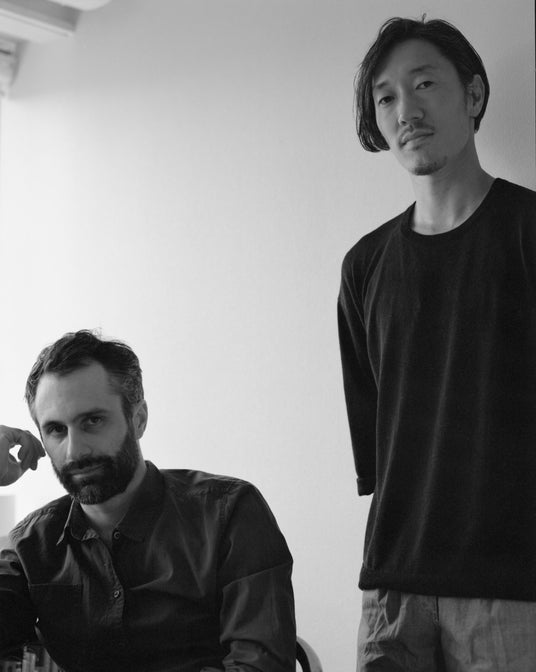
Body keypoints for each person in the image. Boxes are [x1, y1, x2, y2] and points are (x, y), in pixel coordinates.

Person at [338, 15, 536, 672]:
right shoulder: (364, 266)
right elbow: (378, 450)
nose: (405, 110)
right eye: (386, 97)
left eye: (424, 84)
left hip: (511, 589)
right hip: (391, 589)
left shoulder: (528, 232)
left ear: (473, 94)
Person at [0, 330, 295, 672]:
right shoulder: (30, 545)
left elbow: (260, 666)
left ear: (138, 419)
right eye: (56, 430)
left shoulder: (229, 514)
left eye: (93, 421)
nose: (74, 450)